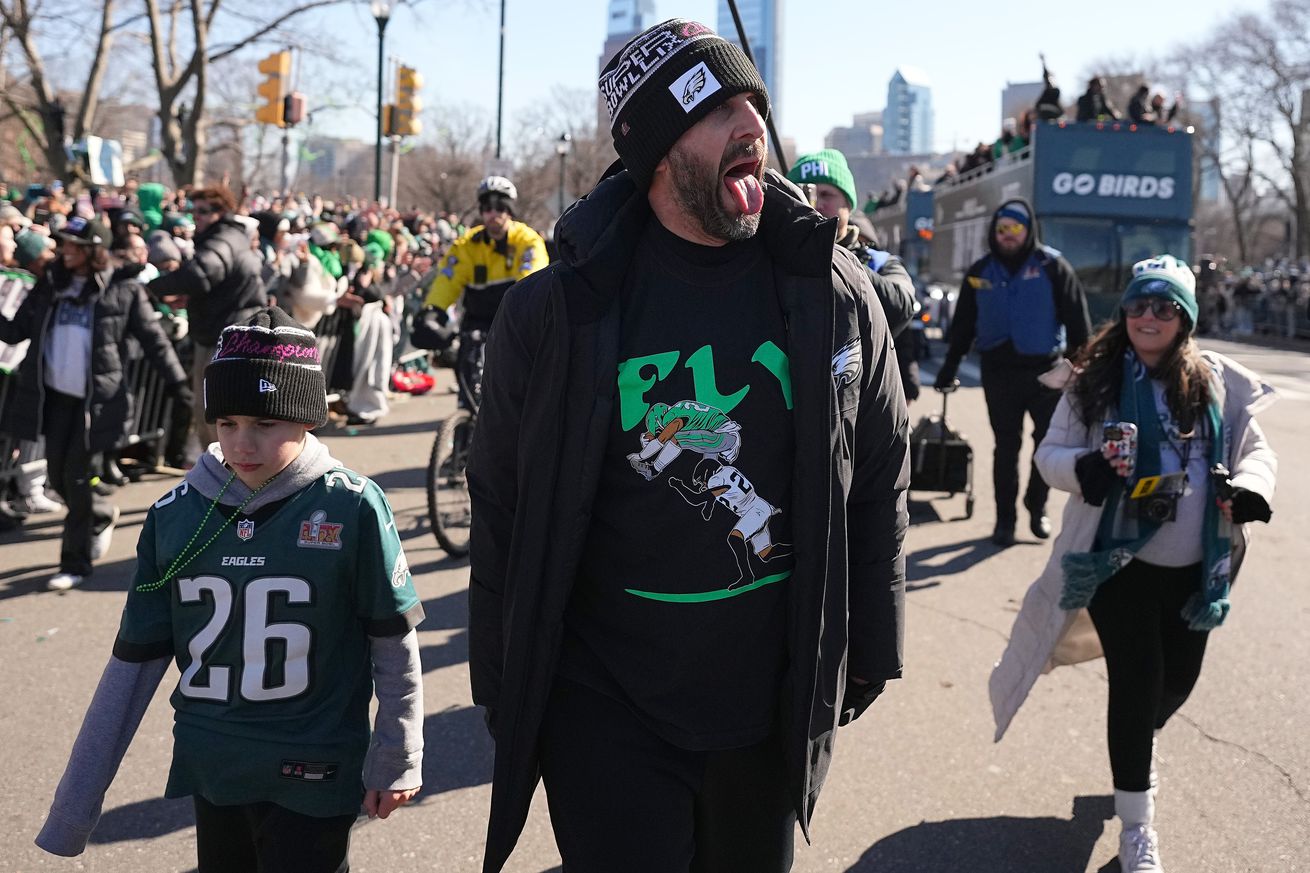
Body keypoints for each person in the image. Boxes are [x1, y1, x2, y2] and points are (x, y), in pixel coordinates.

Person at [468, 18, 908, 873]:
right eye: (722, 109)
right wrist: (504, 682)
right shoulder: (554, 312)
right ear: (661, 150)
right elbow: (502, 504)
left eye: (757, 104)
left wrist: (870, 647)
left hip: (763, 701)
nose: (755, 126)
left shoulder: (833, 291)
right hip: (604, 704)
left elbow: (877, 471)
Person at [35, 307, 426, 870]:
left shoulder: (352, 505)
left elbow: (392, 640)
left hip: (315, 763)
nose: (243, 444)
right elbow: (134, 662)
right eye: (227, 423)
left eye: (266, 424)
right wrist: (75, 807)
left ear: (307, 419)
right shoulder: (174, 513)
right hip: (215, 764)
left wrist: (397, 754)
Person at [989, 256, 1277, 873]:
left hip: (1197, 567)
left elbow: (1255, 450)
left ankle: (1136, 754)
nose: (1149, 316)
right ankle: (1137, 825)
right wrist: (1082, 469)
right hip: (1116, 562)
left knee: (1176, 683)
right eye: (1139, 305)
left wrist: (1248, 489)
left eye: (1164, 307)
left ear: (1184, 318)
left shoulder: (1215, 379)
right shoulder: (1094, 379)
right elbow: (1050, 454)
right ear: (1124, 313)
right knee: (1138, 681)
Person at [0, 216, 192, 590]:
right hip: (54, 401)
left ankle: (74, 562)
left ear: (92, 250)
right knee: (59, 477)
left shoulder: (122, 290)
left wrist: (180, 386)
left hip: (97, 404)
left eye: (71, 245)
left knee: (74, 476)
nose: (62, 250)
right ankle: (100, 513)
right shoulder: (50, 284)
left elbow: (154, 341)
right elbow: (15, 330)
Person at [934, 199, 1091, 545]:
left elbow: (1078, 323)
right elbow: (962, 325)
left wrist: (1082, 368)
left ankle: (1037, 506)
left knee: (1045, 445)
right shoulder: (980, 272)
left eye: (1015, 229)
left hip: (1045, 372)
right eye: (1002, 229)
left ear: (1028, 231)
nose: (1007, 236)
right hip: (999, 371)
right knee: (1006, 446)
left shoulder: (1053, 267)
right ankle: (1005, 520)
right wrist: (949, 367)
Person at [786, 148, 919, 397]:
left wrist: (831, 255)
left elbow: (901, 308)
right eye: (805, 194)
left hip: (861, 403)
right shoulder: (776, 260)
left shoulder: (878, 262)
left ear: (848, 203)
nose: (816, 204)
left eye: (826, 194)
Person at [150, 185, 265, 451]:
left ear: (220, 212)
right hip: (227, 332)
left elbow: (201, 274)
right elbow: (218, 285)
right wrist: (192, 298)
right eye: (193, 210)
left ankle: (223, 479)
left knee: (214, 412)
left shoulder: (222, 238)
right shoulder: (228, 236)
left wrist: (151, 288)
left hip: (224, 338)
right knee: (219, 412)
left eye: (203, 211)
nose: (196, 216)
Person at [420, 176, 548, 336]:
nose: (493, 213)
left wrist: (521, 312)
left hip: (514, 323)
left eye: (500, 207)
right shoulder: (467, 243)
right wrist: (434, 309)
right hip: (475, 323)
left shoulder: (527, 240)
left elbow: (531, 279)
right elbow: (448, 278)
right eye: (487, 208)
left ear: (509, 211)